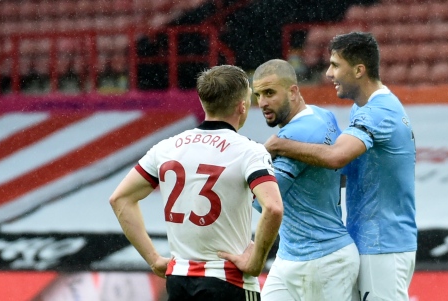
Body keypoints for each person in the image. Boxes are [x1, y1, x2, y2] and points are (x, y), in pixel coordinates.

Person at [109, 64, 283, 301]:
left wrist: (153, 259)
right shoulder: (250, 151)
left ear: (204, 103)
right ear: (242, 106)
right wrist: (255, 262)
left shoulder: (166, 147)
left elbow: (120, 199)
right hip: (228, 280)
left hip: (179, 280)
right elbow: (273, 208)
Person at [264, 32, 417, 301]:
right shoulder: (366, 108)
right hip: (372, 239)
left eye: (335, 65)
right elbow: (343, 173)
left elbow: (336, 158)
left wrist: (279, 146)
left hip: (383, 243)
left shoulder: (378, 112)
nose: (328, 73)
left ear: (359, 70)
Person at [222, 59, 359, 300]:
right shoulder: (322, 114)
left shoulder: (292, 136)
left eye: (270, 93)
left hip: (320, 261)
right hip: (291, 256)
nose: (262, 102)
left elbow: (260, 201)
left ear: (293, 91)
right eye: (258, 95)